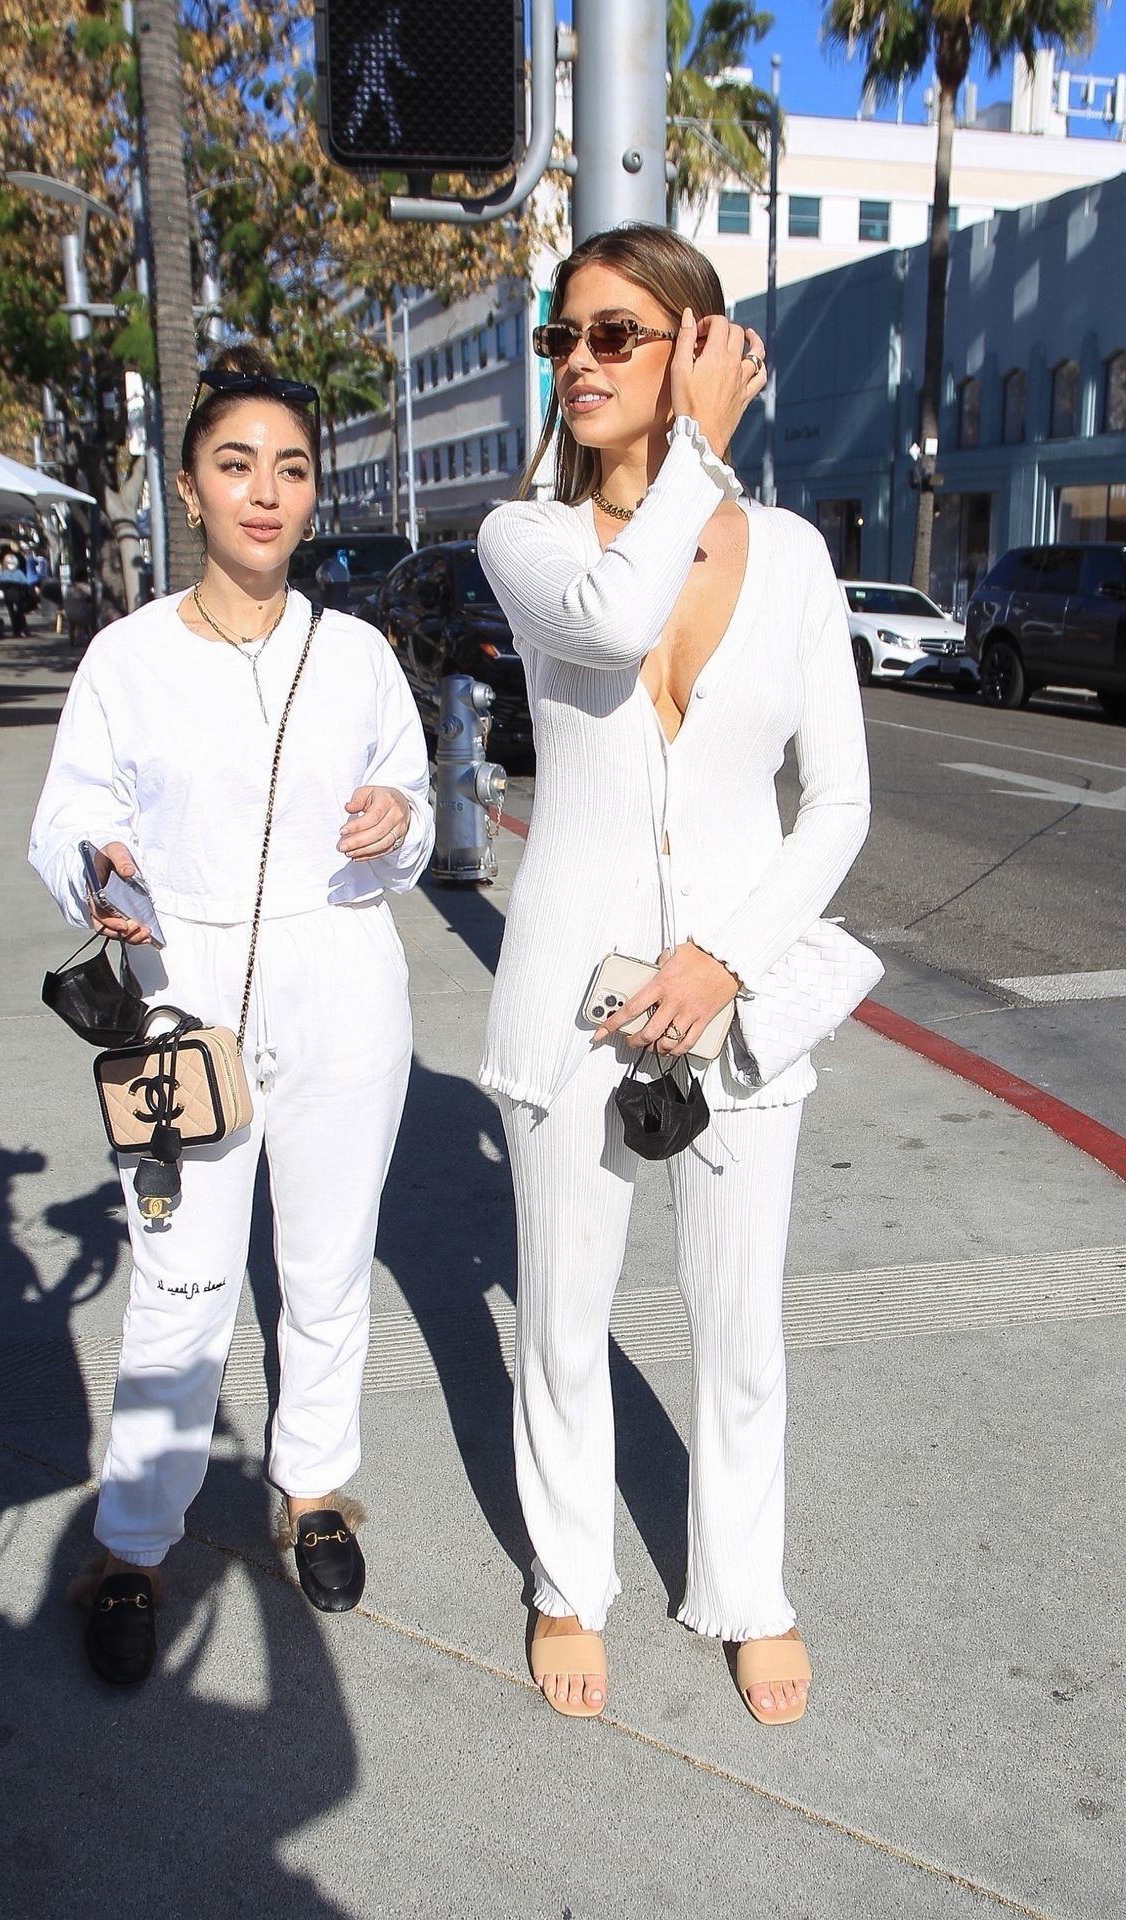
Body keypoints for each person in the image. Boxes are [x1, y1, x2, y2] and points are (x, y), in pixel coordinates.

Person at [476, 225, 870, 1725]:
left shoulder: (798, 558)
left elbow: (839, 804)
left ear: (696, 344)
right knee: (563, 1317)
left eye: (615, 332)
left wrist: (726, 959)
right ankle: (569, 1576)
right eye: (562, 336)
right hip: (566, 996)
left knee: (741, 1323)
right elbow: (620, 614)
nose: (577, 360)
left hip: (735, 1003)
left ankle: (747, 1587)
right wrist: (697, 452)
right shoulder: (529, 537)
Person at [29, 344, 434, 1685]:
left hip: (341, 980)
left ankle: (314, 1490)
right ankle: (135, 1543)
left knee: (326, 1266)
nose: (266, 491)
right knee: (182, 1284)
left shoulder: (356, 653)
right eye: (237, 464)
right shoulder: (128, 657)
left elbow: (413, 810)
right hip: (180, 997)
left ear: (314, 494)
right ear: (192, 487)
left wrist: (395, 818)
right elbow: (70, 815)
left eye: (292, 469)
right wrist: (100, 866)